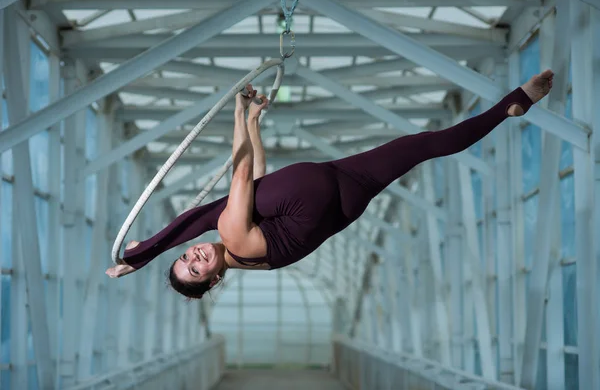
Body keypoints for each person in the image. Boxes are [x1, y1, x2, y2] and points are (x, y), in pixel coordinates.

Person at [106, 70, 554, 299]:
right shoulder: (232, 237)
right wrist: (238, 113)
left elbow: (260, 183)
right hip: (316, 193)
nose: (196, 255)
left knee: (423, 145)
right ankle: (145, 256)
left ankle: (509, 107)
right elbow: (241, 175)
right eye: (196, 269)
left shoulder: (243, 251)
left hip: (343, 191)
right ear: (214, 281)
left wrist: (255, 124)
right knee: (211, 214)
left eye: (186, 256)